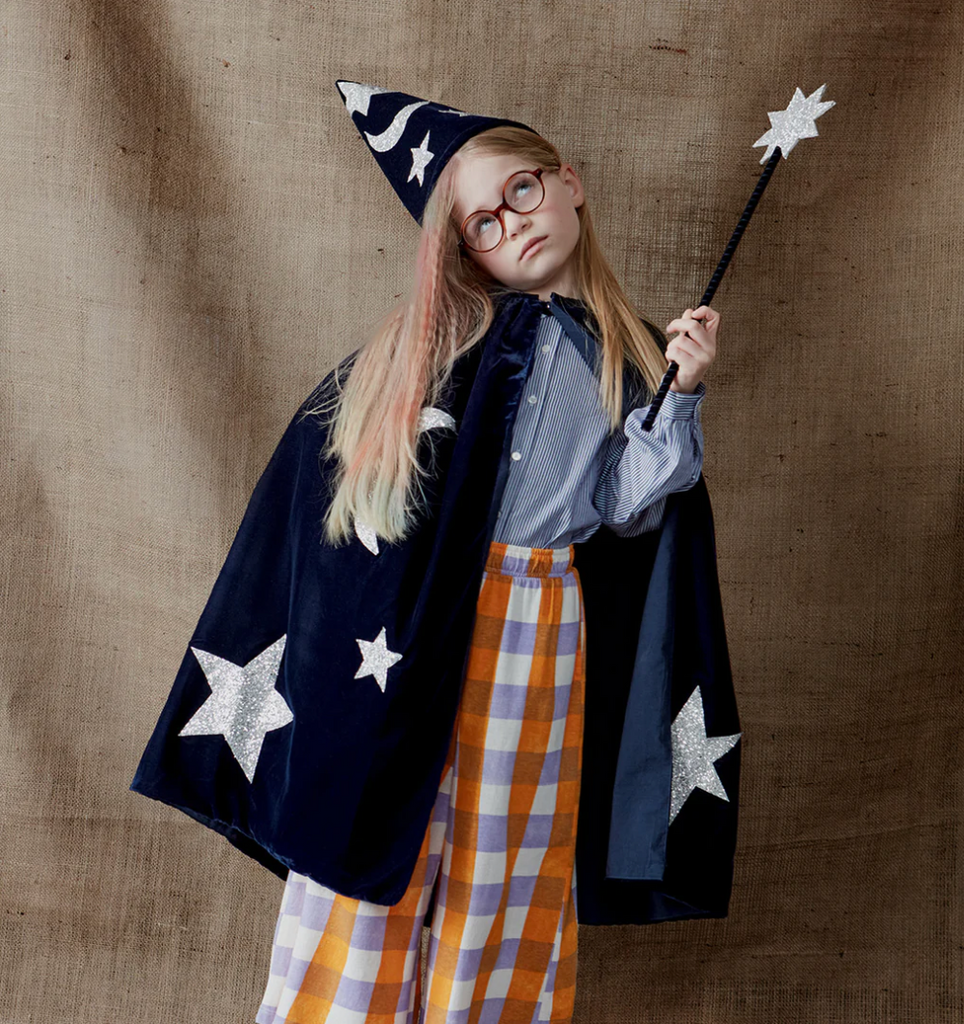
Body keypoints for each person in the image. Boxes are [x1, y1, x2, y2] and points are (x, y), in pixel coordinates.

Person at [129, 81, 742, 1024]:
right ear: (465, 255)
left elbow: (621, 504)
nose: (514, 226)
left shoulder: (613, 354)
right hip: (422, 631)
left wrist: (684, 388)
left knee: (501, 857)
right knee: (377, 838)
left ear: (569, 183)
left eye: (523, 193)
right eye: (485, 226)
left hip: (541, 630)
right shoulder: (457, 353)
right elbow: (353, 521)